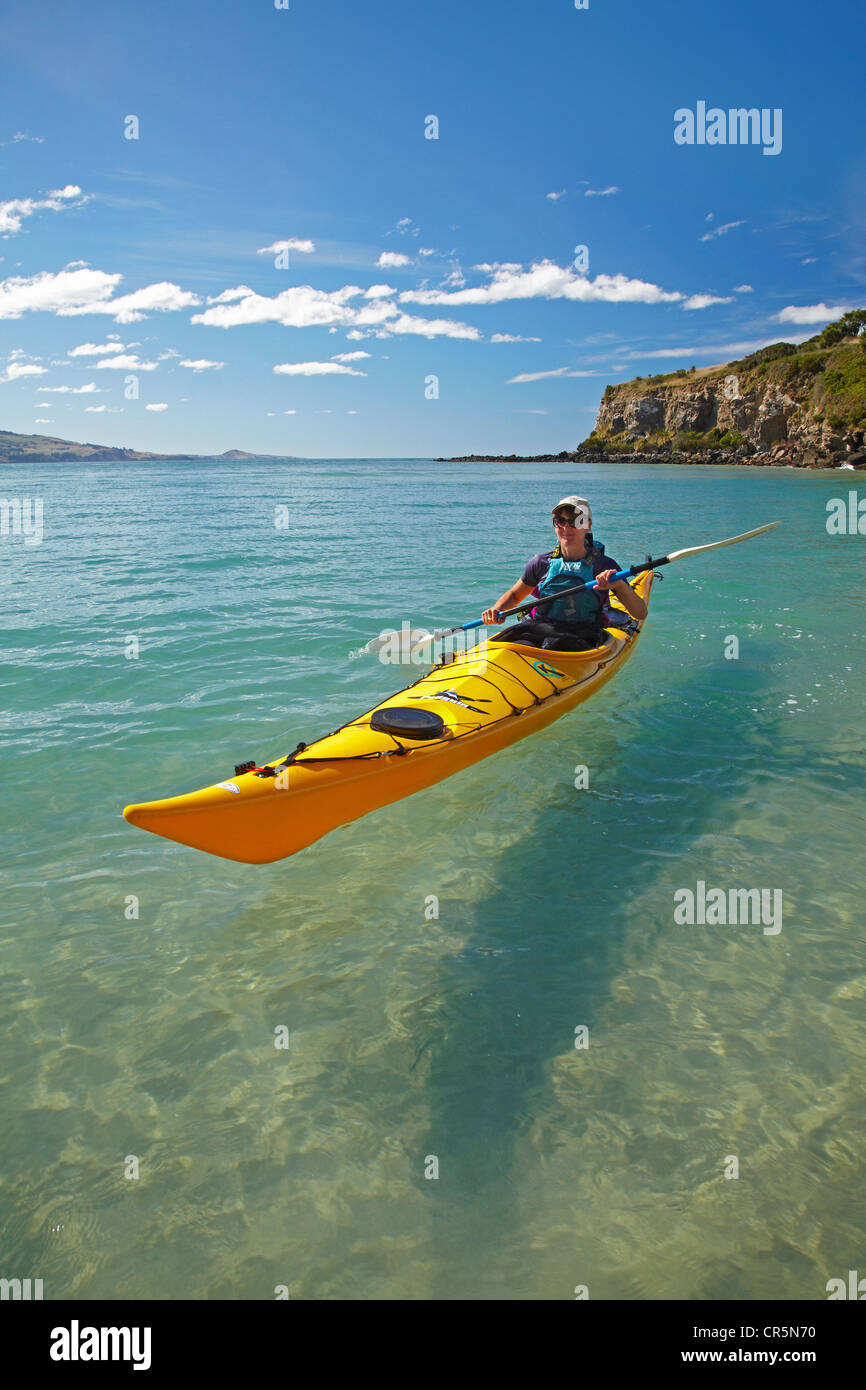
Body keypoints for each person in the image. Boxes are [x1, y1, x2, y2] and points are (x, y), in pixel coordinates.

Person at [482, 494, 648, 651]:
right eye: (560, 520)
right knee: (512, 639)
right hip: (540, 628)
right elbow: (514, 596)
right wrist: (496, 609)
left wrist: (619, 584)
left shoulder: (604, 566)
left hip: (583, 634)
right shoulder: (540, 563)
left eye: (576, 520)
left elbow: (640, 613)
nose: (567, 527)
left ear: (588, 525)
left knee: (556, 643)